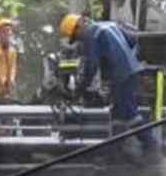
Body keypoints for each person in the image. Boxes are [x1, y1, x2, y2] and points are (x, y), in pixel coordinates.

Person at [60, 12, 156, 157]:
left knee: (130, 113)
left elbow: (92, 63)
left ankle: (151, 145)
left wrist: (82, 86)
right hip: (131, 70)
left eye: (77, 36)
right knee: (117, 113)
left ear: (79, 27)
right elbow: (131, 39)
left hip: (121, 73)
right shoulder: (109, 24)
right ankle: (115, 150)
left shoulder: (91, 33)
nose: (80, 40)